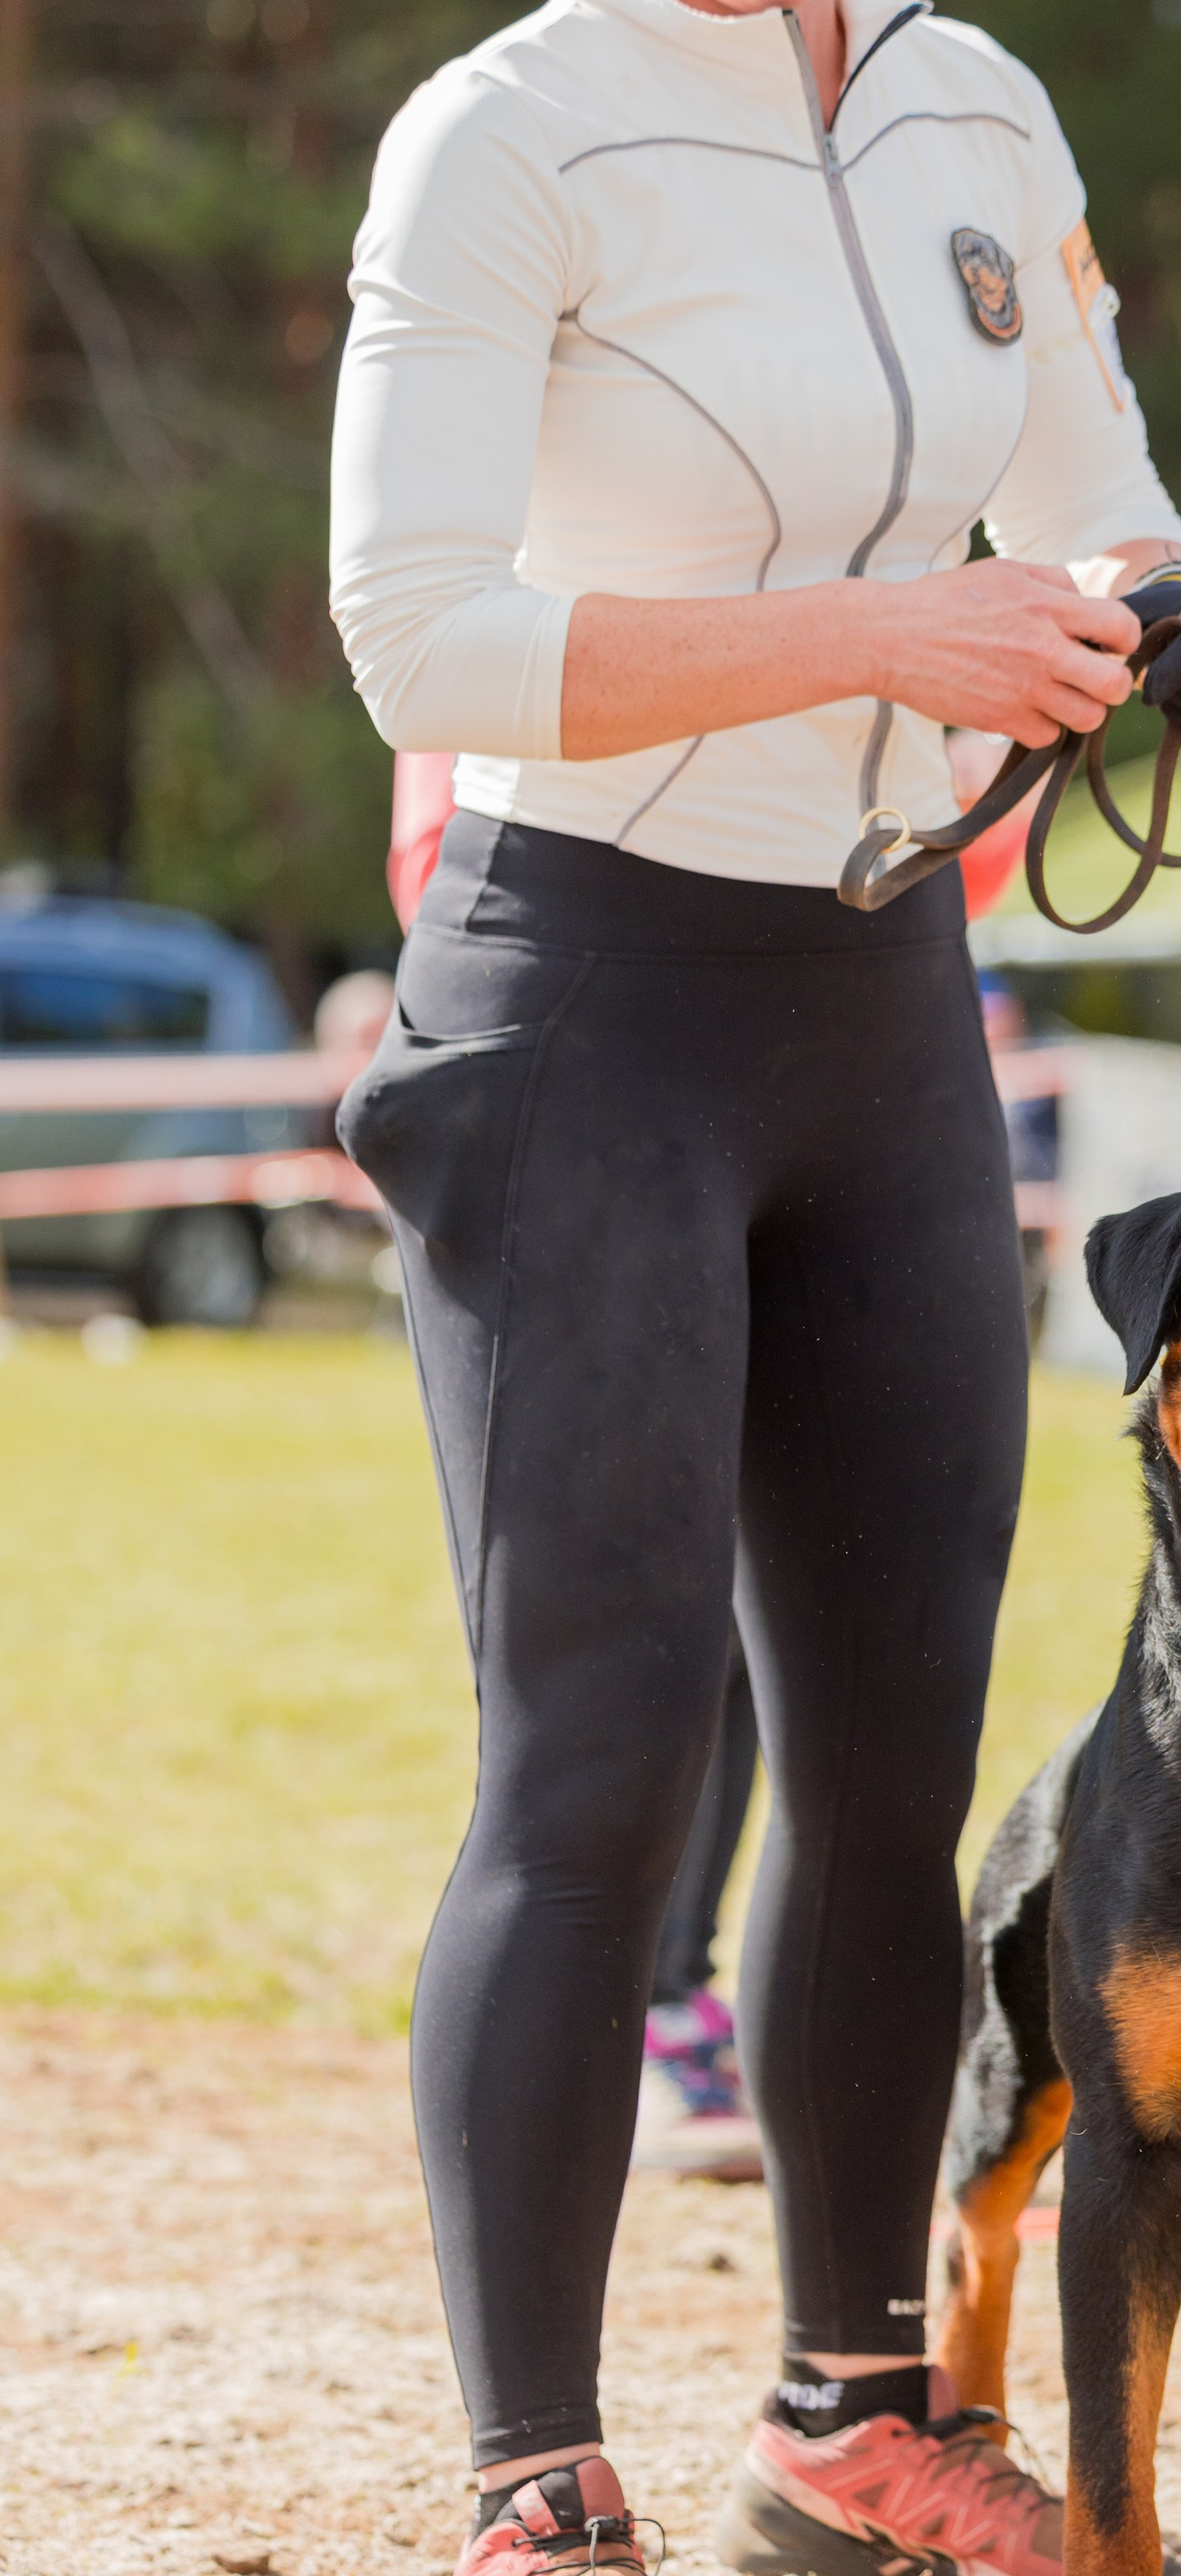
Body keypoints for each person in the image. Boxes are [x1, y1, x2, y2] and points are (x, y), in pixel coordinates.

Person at [331, 0, 1181, 2576]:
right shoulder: (504, 137)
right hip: (578, 992)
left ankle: (858, 2401)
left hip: (884, 1009)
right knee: (591, 1756)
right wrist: (889, 626)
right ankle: (531, 2499)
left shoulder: (978, 99)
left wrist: (1156, 605)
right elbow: (422, 633)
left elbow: (1090, 475)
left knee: (891, 1761)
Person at [392, 743, 769, 2180]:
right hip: (590, 1051)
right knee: (624, 1641)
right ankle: (641, 2003)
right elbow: (436, 846)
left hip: (826, 1044)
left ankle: (679, 1989)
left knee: (765, 1633)